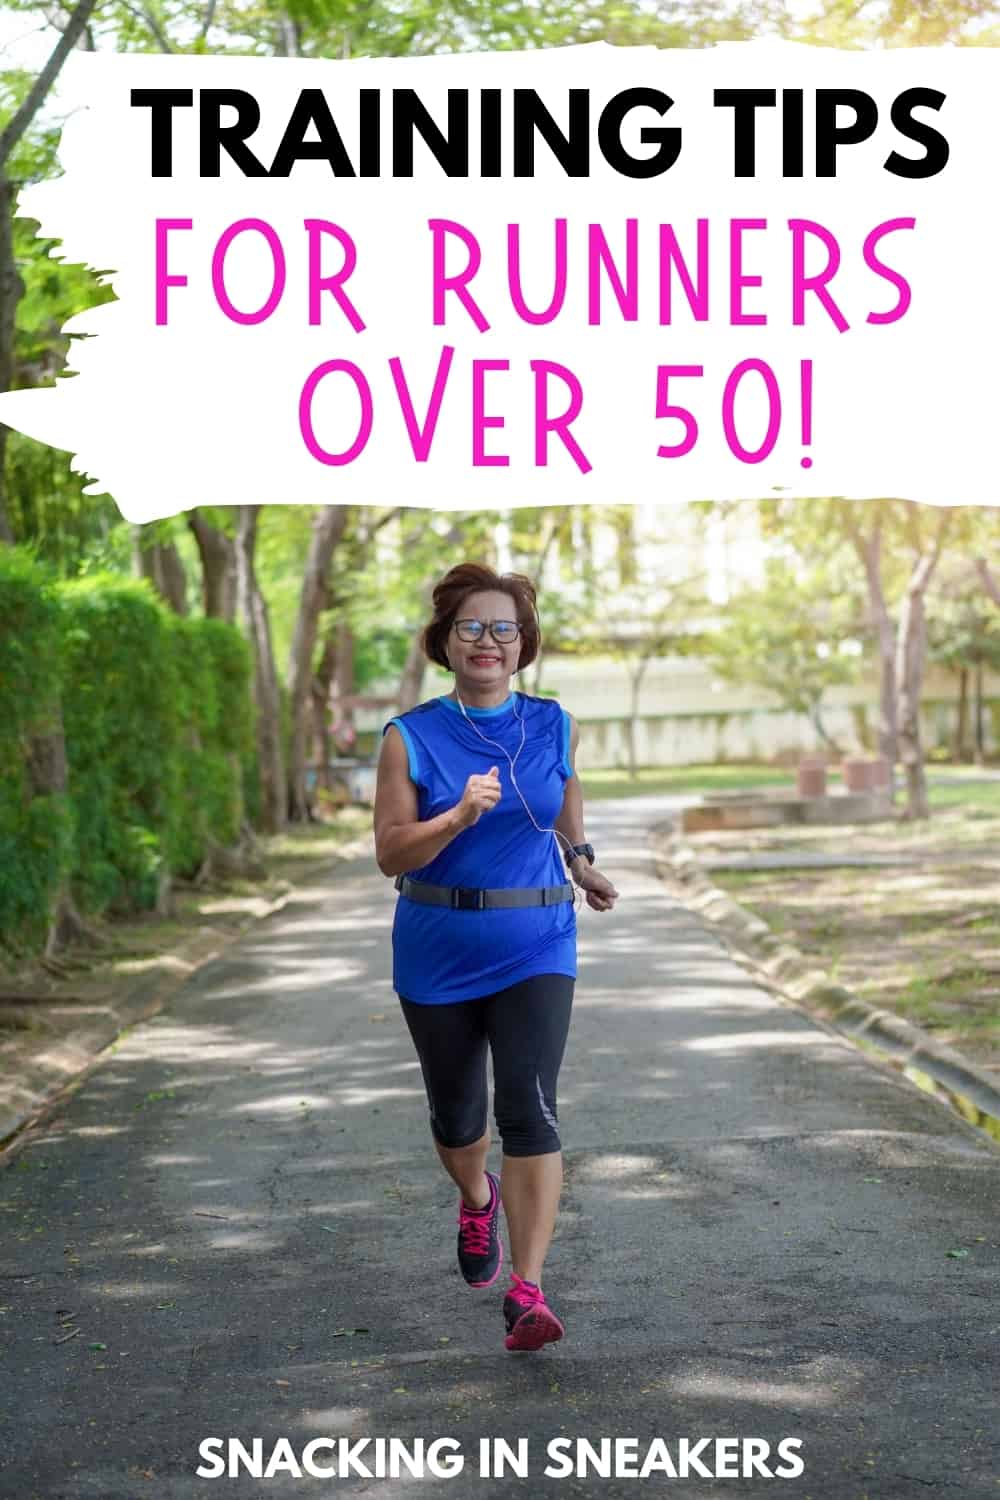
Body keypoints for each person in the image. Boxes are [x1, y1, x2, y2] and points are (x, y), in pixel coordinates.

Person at [373, 562, 619, 1353]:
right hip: (437, 947)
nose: (488, 640)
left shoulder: (552, 723)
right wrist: (454, 817)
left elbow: (564, 792)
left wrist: (580, 861)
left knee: (529, 1106)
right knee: (458, 1117)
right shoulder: (409, 737)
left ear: (523, 643)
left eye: (503, 628)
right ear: (446, 642)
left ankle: (528, 1290)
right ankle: (474, 1195)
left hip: (539, 940)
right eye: (471, 627)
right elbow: (388, 854)